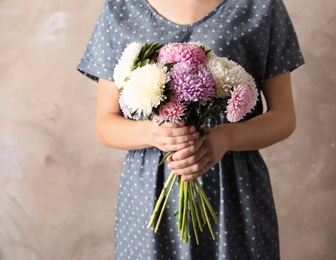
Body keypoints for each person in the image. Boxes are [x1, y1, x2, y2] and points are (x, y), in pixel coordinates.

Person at [77, 0, 304, 259]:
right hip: (149, 194)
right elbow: (105, 123)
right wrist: (153, 132)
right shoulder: (121, 7)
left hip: (234, 189)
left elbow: (284, 117)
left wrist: (225, 138)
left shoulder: (261, 5)